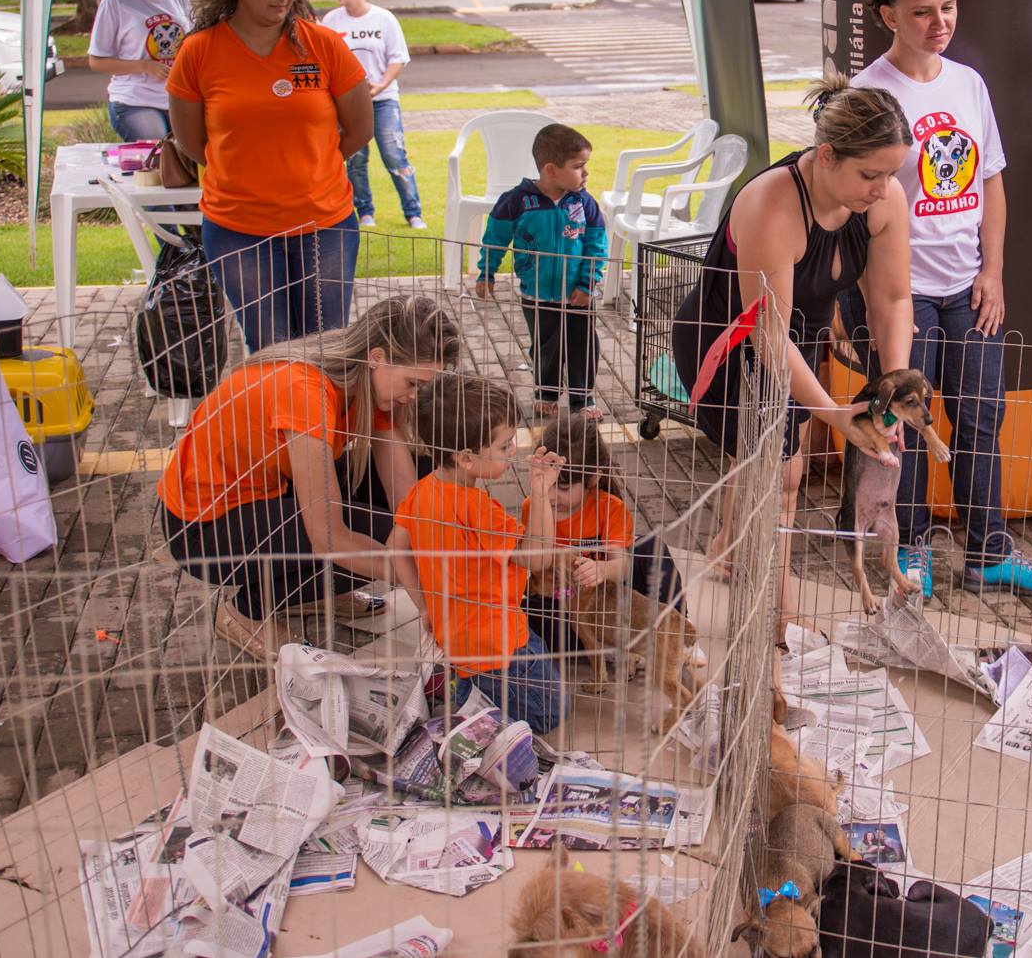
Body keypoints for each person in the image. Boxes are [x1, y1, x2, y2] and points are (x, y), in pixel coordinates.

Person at [837, 0, 1032, 597]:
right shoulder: (868, 92)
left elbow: (990, 179)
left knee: (981, 415)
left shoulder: (968, 83)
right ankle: (911, 551)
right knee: (906, 421)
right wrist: (852, 303)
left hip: (966, 286)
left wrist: (992, 271)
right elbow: (848, 200)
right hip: (900, 292)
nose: (941, 22)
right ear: (889, 16)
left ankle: (989, 552)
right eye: (923, 11)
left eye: (949, 7)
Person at [669, 77, 914, 610]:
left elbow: (893, 301)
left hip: (793, 338)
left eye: (892, 173)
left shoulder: (882, 198)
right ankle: (777, 625)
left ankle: (727, 549)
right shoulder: (772, 203)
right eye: (870, 174)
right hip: (727, 341)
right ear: (826, 156)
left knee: (764, 460)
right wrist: (834, 414)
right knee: (780, 475)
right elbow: (767, 331)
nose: (883, 188)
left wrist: (891, 393)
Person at [160, 293, 462, 659]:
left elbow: (408, 496)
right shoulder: (305, 391)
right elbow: (329, 537)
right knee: (383, 540)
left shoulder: (372, 385)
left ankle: (315, 593)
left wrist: (447, 548)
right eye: (413, 384)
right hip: (202, 528)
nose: (415, 397)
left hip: (271, 492)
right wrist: (428, 584)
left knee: (430, 489)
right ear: (378, 357)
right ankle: (243, 613)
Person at [168, 0, 374, 352]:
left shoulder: (323, 45)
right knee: (272, 353)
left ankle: (322, 423)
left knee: (325, 351)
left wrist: (310, 166)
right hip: (238, 229)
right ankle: (283, 423)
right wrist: (249, 170)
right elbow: (191, 141)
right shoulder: (200, 50)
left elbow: (360, 128)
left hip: (325, 224)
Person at [387, 372, 568, 756]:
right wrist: (540, 492)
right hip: (498, 646)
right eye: (504, 447)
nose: (513, 452)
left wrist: (424, 605)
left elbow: (395, 548)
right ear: (466, 458)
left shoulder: (421, 492)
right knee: (554, 710)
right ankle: (476, 702)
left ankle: (462, 688)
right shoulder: (478, 508)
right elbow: (537, 558)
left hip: (453, 639)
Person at [522, 411, 686, 659]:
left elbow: (622, 565)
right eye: (547, 484)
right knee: (525, 612)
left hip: (612, 602)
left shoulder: (609, 507)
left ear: (593, 478)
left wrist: (600, 570)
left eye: (563, 487)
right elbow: (536, 566)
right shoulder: (534, 505)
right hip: (568, 609)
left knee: (652, 546)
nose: (552, 495)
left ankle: (678, 638)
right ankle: (614, 646)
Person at [473, 124, 608, 418]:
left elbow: (598, 244)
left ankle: (581, 400)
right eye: (578, 166)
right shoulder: (517, 202)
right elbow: (494, 240)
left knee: (582, 345)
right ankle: (546, 393)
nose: (586, 174)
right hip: (537, 294)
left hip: (578, 295)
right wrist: (487, 273)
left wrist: (588, 283)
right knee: (546, 346)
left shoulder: (584, 202)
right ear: (551, 169)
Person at [322, 0, 425, 231]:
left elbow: (398, 57)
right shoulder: (332, 21)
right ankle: (365, 211)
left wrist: (380, 84)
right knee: (355, 159)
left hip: (383, 99)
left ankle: (414, 213)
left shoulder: (384, 18)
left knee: (394, 155)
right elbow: (326, 60)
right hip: (348, 104)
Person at [86, 0, 193, 142]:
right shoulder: (116, 1)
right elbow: (96, 60)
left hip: (177, 99)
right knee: (160, 157)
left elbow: (192, 45)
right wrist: (143, 66)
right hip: (134, 101)